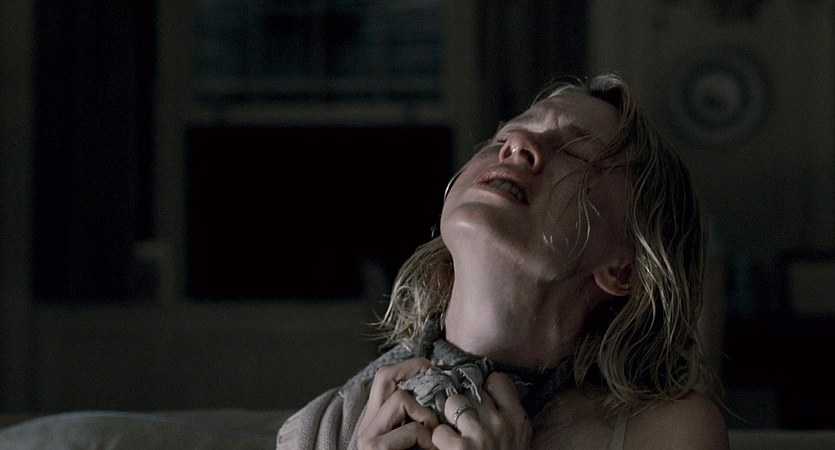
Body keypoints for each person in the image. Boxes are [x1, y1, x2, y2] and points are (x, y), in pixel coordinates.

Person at [276, 72, 730, 449]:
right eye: (502, 135)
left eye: (574, 151)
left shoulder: (668, 433)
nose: (516, 143)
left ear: (623, 267)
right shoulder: (320, 430)